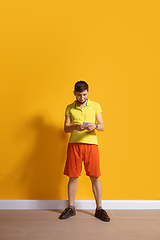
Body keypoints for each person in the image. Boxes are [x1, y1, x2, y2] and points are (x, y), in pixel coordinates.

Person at [59, 80, 110, 222]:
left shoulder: (95, 105)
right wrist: (75, 127)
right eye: (80, 95)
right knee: (73, 176)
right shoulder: (69, 108)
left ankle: (99, 208)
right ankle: (71, 207)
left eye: (85, 94)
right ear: (74, 93)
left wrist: (94, 125)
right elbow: (65, 128)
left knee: (94, 176)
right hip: (74, 144)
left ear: (88, 92)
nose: (82, 98)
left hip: (91, 145)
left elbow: (102, 126)